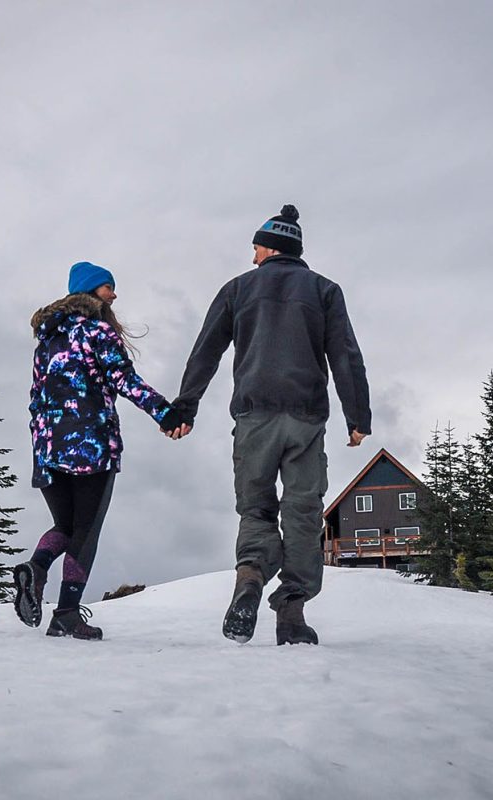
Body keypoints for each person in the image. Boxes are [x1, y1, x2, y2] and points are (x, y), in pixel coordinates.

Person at [171, 205, 371, 645]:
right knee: (303, 511)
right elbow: (345, 355)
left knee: (256, 509)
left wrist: (185, 408)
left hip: (254, 417)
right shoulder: (324, 290)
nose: (252, 257)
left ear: (270, 246)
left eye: (255, 247)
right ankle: (292, 614)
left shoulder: (237, 289)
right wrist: (358, 418)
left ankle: (251, 575)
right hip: (305, 419)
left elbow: (205, 351)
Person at [14, 261, 187, 640]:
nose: (114, 295)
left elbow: (34, 398)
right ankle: (66, 613)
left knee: (66, 525)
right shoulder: (98, 332)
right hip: (90, 445)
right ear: (93, 291)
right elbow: (124, 380)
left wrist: (41, 446)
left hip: (47, 446)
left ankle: (37, 567)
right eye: (109, 287)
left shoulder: (47, 342)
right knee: (86, 532)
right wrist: (167, 414)